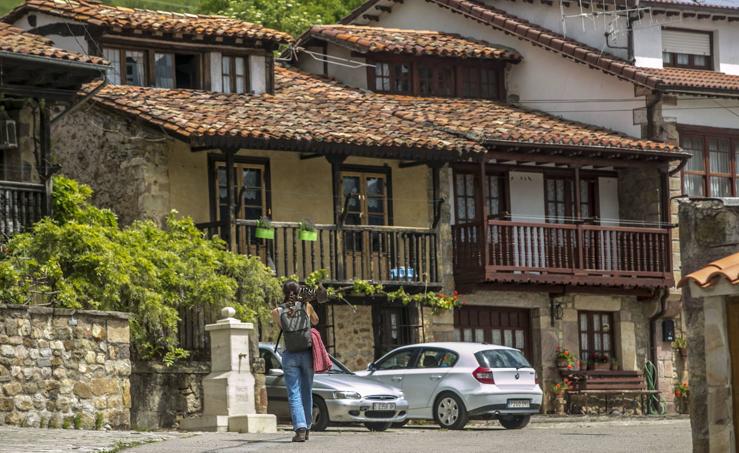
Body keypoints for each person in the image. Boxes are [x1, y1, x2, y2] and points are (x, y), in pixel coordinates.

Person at [271, 280, 319, 442]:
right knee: (307, 391)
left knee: (294, 393)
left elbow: (283, 328)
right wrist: (307, 303)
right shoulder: (306, 306)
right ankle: (307, 427)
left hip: (290, 354)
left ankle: (300, 429)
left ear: (283, 292)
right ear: (299, 292)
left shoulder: (277, 311)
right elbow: (316, 321)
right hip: (306, 353)